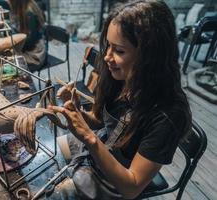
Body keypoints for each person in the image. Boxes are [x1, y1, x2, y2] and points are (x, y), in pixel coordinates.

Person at [48, 0, 192, 199]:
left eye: (119, 51)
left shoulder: (168, 114)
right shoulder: (119, 77)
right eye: (108, 45)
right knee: (50, 153)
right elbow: (100, 121)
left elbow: (131, 187)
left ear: (150, 55)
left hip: (122, 175)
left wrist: (88, 137)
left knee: (58, 194)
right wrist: (78, 113)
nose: (107, 57)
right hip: (105, 143)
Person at [0, 0, 46, 70]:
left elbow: (24, 43)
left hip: (32, 56)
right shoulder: (16, 4)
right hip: (21, 49)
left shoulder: (28, 13)